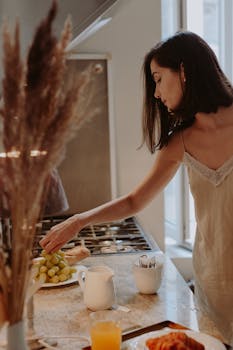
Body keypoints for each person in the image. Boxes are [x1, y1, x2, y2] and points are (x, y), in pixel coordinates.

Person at [40, 31, 233, 345]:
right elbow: (134, 201)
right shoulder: (179, 142)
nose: (156, 93)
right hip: (214, 282)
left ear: (183, 71)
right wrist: (78, 221)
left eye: (158, 79)